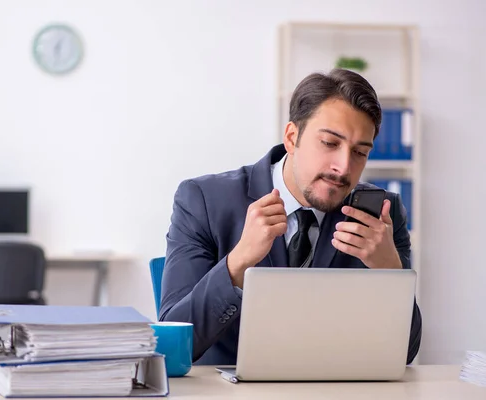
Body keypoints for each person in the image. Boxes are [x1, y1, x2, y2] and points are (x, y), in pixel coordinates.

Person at [159, 68, 422, 366]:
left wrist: (391, 273)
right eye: (330, 143)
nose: (343, 166)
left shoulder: (384, 216)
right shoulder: (202, 200)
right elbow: (171, 346)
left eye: (360, 152)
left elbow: (406, 352)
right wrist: (239, 262)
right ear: (292, 137)